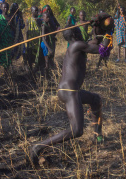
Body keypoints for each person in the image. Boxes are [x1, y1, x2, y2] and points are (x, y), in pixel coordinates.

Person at [29, 24, 106, 166]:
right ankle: (38, 147)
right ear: (75, 35)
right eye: (78, 30)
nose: (80, 31)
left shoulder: (76, 45)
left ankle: (97, 137)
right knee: (76, 130)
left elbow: (93, 42)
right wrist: (108, 37)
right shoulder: (77, 45)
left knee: (96, 100)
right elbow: (102, 50)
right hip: (70, 91)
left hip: (70, 90)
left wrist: (98, 30)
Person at [0, 1, 14, 73]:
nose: (6, 9)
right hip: (0, 41)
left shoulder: (10, 18)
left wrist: (10, 25)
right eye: (4, 7)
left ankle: (7, 77)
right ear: (1, 8)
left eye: (7, 7)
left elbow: (13, 29)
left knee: (7, 60)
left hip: (7, 41)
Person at [25, 6, 44, 73]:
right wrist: (27, 42)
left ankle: (37, 69)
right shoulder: (28, 20)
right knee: (30, 56)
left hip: (38, 42)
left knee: (39, 56)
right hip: (31, 42)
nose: (36, 12)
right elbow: (27, 32)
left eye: (37, 10)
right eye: (35, 10)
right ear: (32, 11)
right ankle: (30, 70)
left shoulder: (40, 20)